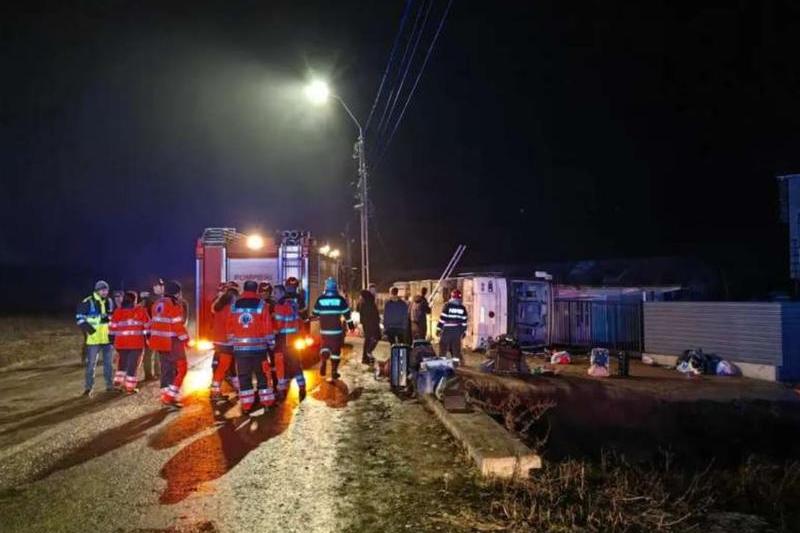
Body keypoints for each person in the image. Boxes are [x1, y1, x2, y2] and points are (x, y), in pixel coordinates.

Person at [226, 280, 276, 416]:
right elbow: (267, 326)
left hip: (240, 349)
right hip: (259, 349)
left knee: (244, 376)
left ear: (244, 289)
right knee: (263, 375)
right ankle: (266, 403)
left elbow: (229, 326)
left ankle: (247, 405)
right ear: (256, 290)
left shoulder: (234, 305)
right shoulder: (262, 305)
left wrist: (232, 343)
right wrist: (271, 343)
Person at [150, 280, 190, 408]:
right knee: (182, 369)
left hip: (159, 342)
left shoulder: (156, 303)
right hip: (172, 342)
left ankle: (165, 394)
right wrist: (186, 340)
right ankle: (169, 397)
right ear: (177, 293)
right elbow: (177, 325)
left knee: (166, 370)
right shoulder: (174, 304)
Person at [76, 280, 115, 397]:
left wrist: (112, 334)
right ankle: (88, 388)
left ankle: (109, 386)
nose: (105, 292)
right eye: (103, 290)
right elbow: (80, 319)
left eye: (106, 290)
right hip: (93, 340)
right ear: (97, 290)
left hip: (107, 340)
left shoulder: (109, 301)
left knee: (108, 365)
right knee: (91, 365)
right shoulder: (87, 302)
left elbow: (111, 318)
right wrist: (91, 331)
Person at [312, 277, 355, 381]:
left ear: (326, 287)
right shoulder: (340, 299)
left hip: (324, 331)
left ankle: (323, 361)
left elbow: (314, 313)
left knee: (324, 347)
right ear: (335, 287)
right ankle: (334, 371)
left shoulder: (320, 299)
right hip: (336, 331)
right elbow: (347, 314)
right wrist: (351, 326)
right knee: (335, 351)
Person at [109, 291, 150, 394]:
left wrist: (112, 341)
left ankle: (117, 384)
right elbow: (147, 327)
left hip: (121, 344)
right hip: (136, 344)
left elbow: (112, 328)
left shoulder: (118, 311)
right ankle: (130, 388)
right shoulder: (141, 311)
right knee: (132, 365)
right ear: (135, 300)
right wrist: (148, 338)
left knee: (121, 364)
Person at [272, 283, 306, 400]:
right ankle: (302, 386)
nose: (273, 295)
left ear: (282, 293)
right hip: (293, 340)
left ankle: (281, 389)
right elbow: (299, 321)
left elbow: (278, 325)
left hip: (282, 340)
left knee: (280, 364)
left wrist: (270, 333)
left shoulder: (279, 306)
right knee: (296, 364)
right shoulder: (293, 304)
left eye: (275, 293)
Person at [210, 283, 239, 402]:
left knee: (227, 366)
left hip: (218, 341)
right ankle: (215, 392)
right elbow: (230, 325)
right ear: (233, 297)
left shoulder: (219, 307)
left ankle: (236, 388)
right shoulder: (230, 308)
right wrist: (234, 338)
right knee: (224, 367)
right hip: (227, 342)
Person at [436, 288, 468, 363]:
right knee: (456, 347)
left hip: (447, 330)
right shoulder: (462, 308)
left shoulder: (447, 306)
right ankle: (456, 363)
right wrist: (463, 331)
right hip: (457, 330)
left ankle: (442, 362)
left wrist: (438, 329)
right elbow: (464, 321)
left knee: (443, 345)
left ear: (452, 296)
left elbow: (442, 318)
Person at [141, 279, 164, 381]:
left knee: (156, 353)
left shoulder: (154, 299)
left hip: (154, 330)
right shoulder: (152, 300)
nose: (158, 287)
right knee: (150, 353)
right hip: (152, 330)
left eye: (159, 285)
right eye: (157, 286)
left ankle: (153, 373)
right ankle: (151, 374)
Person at [356, 289, 380, 365]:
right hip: (371, 324)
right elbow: (375, 315)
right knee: (374, 338)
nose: (360, 297)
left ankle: (365, 356)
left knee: (368, 339)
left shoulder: (363, 304)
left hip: (367, 325)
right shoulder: (369, 304)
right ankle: (367, 353)